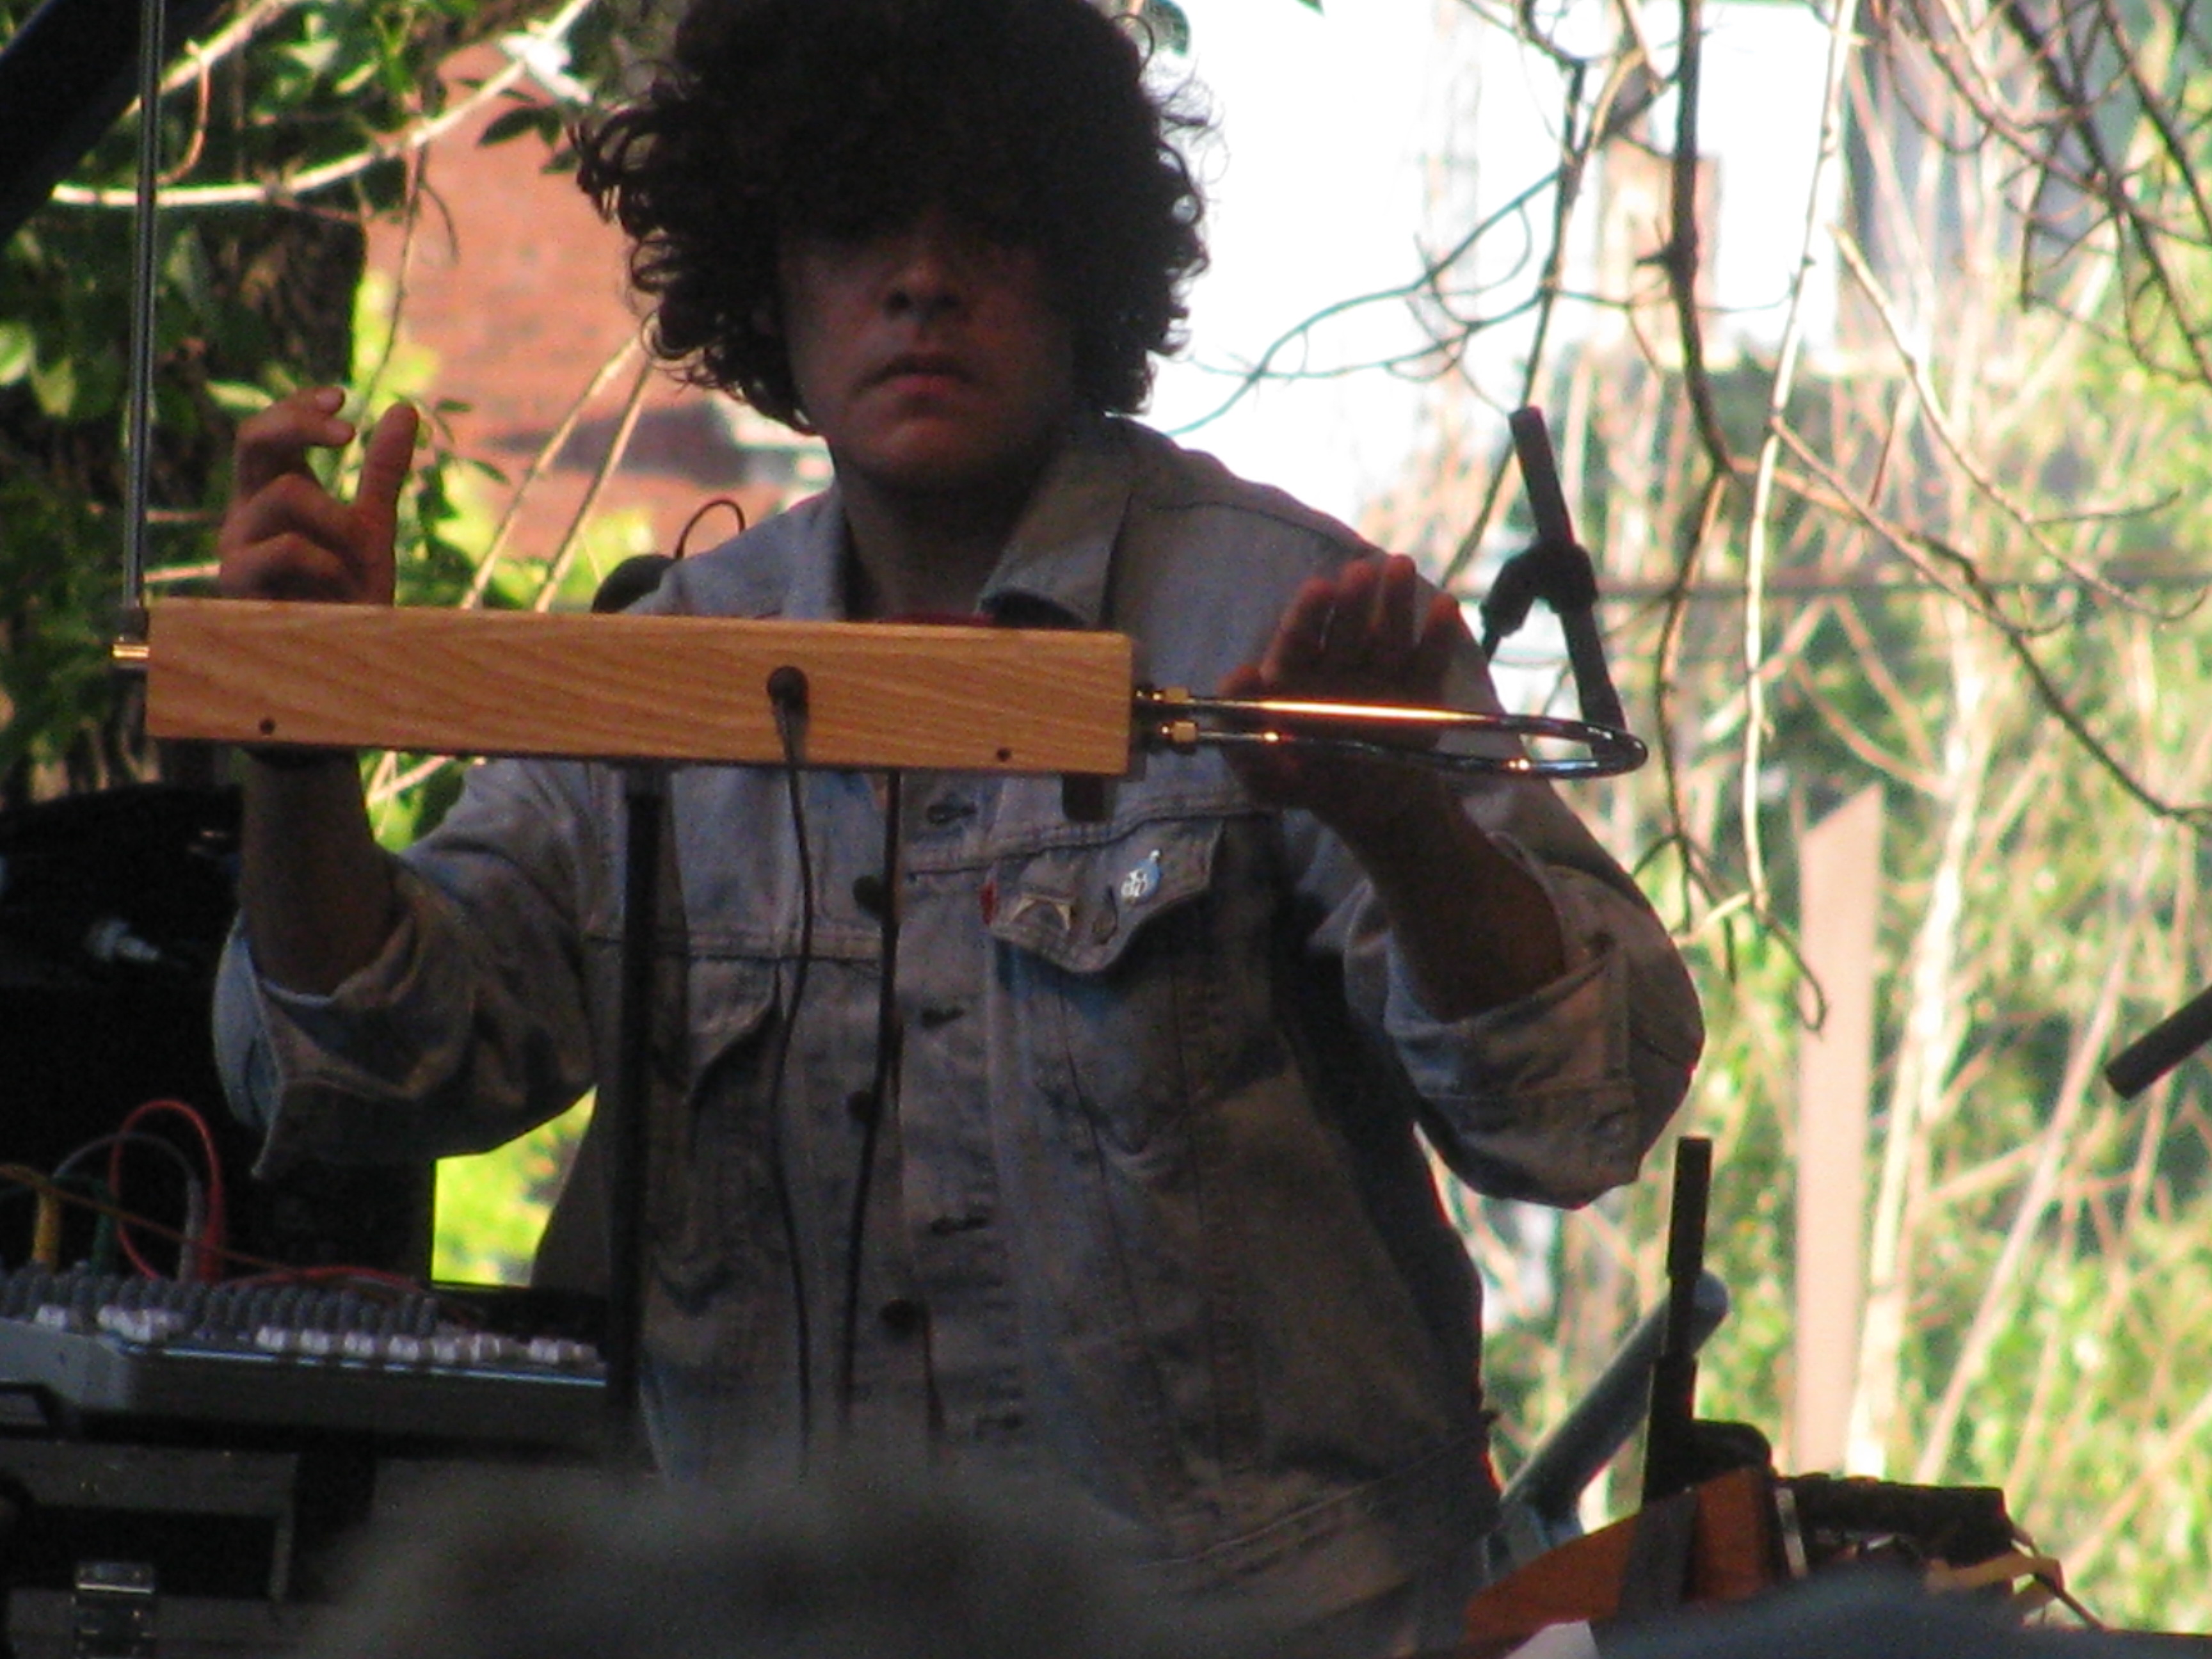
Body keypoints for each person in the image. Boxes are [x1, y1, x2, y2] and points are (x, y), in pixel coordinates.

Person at [211, 0, 1704, 1650]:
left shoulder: (1276, 621)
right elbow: (367, 1071)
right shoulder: (666, 676)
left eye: (990, 222)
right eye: (858, 224)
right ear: (766, 279)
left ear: (1087, 272)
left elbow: (1578, 1112)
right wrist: (299, 744)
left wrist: (1403, 827)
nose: (923, 280)